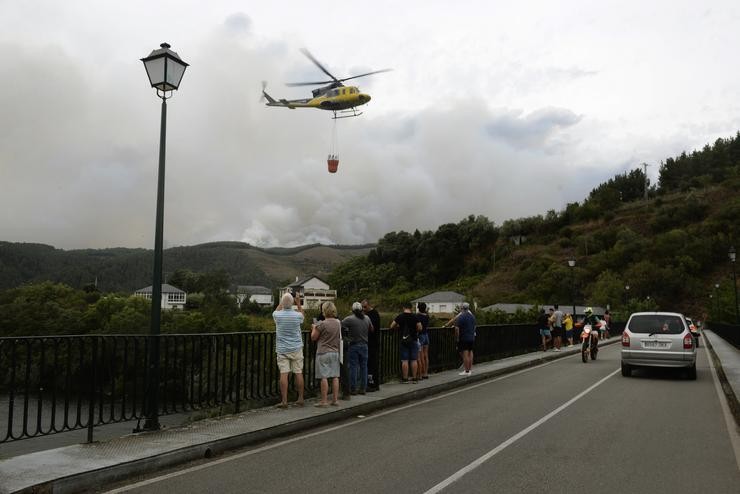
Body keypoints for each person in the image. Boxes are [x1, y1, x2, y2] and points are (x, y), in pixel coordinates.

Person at [272, 291, 305, 408]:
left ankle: (284, 401)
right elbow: (302, 315)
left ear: (282, 302)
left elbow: (276, 310)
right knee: (298, 372)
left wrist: (282, 301)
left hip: (282, 349)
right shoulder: (297, 316)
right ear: (292, 303)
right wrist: (298, 302)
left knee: (284, 374)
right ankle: (300, 398)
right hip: (296, 348)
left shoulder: (277, 315)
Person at [311, 302, 340, 407]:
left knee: (324, 376)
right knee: (335, 376)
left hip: (323, 351)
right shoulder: (338, 322)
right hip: (335, 352)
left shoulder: (322, 324)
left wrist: (314, 328)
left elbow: (313, 337)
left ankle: (324, 401)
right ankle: (335, 400)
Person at [342, 302, 373, 395]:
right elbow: (372, 329)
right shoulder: (367, 318)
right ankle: (363, 388)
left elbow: (340, 325)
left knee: (353, 367)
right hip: (365, 345)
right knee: (364, 367)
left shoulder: (349, 319)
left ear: (352, 310)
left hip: (354, 345)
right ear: (361, 310)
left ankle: (353, 388)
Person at [391, 302, 422, 383]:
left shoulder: (400, 316)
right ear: (411, 308)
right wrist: (415, 330)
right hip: (413, 339)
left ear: (404, 308)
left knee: (404, 360)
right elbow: (420, 327)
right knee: (414, 360)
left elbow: (392, 326)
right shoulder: (415, 316)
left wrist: (398, 327)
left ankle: (405, 378)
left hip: (403, 339)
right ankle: (414, 378)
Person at [446, 302, 476, 375]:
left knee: (465, 354)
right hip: (471, 337)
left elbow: (457, 329)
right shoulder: (472, 316)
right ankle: (470, 369)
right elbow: (474, 326)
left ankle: (466, 371)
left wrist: (457, 338)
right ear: (468, 308)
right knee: (470, 352)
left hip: (464, 338)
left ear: (461, 308)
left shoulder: (461, 317)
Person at [361, 299, 382, 392]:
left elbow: (371, 328)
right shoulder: (366, 315)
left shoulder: (373, 314)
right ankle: (369, 383)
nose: (363, 309)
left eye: (365, 307)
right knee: (368, 364)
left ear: (369, 305)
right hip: (367, 342)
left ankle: (373, 384)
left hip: (373, 342)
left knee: (373, 364)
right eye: (362, 307)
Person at [416, 302, 431, 380]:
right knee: (426, 355)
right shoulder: (427, 316)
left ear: (418, 308)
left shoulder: (417, 316)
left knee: (421, 356)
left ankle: (421, 374)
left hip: (420, 335)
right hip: (426, 335)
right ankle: (426, 373)